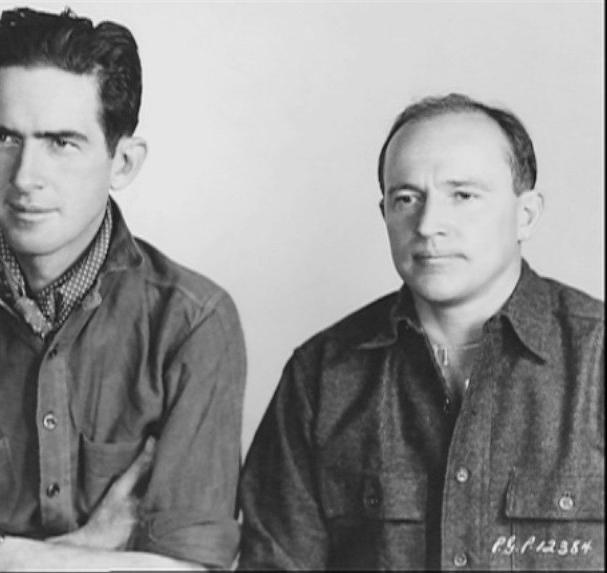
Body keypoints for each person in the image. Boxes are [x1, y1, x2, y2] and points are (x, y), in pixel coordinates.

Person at [0, 7, 246, 571]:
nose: (25, 177)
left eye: (62, 143)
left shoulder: (192, 322)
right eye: (4, 138)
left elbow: (189, 568)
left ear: (123, 162)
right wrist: (91, 551)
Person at [238, 93, 604, 570]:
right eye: (406, 199)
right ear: (385, 214)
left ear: (526, 215)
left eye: (463, 196)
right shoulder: (320, 377)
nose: (429, 225)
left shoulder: (597, 360)